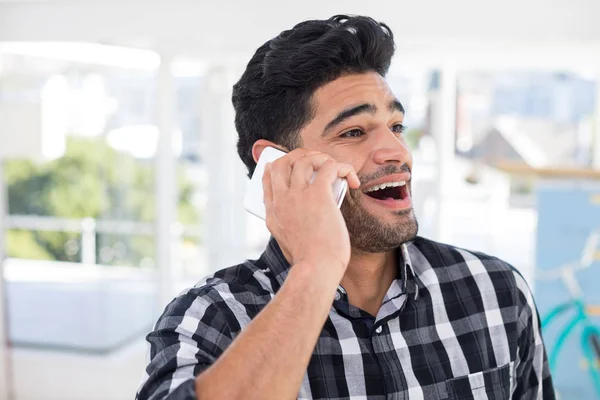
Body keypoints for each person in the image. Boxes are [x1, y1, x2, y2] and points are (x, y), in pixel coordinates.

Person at [136, 15, 555, 400]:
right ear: (276, 167)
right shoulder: (211, 319)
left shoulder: (496, 291)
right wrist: (317, 266)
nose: (396, 152)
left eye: (396, 127)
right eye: (354, 132)